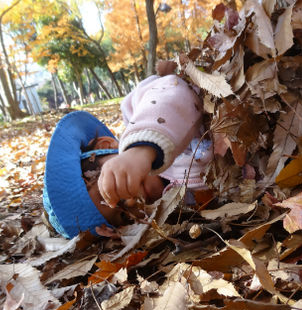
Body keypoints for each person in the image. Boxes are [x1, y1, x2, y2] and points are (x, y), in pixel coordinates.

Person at [43, 61, 213, 238]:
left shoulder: (137, 110)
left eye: (116, 185)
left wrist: (140, 149)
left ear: (105, 146)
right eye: (124, 216)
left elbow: (175, 91)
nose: (132, 200)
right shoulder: (174, 211)